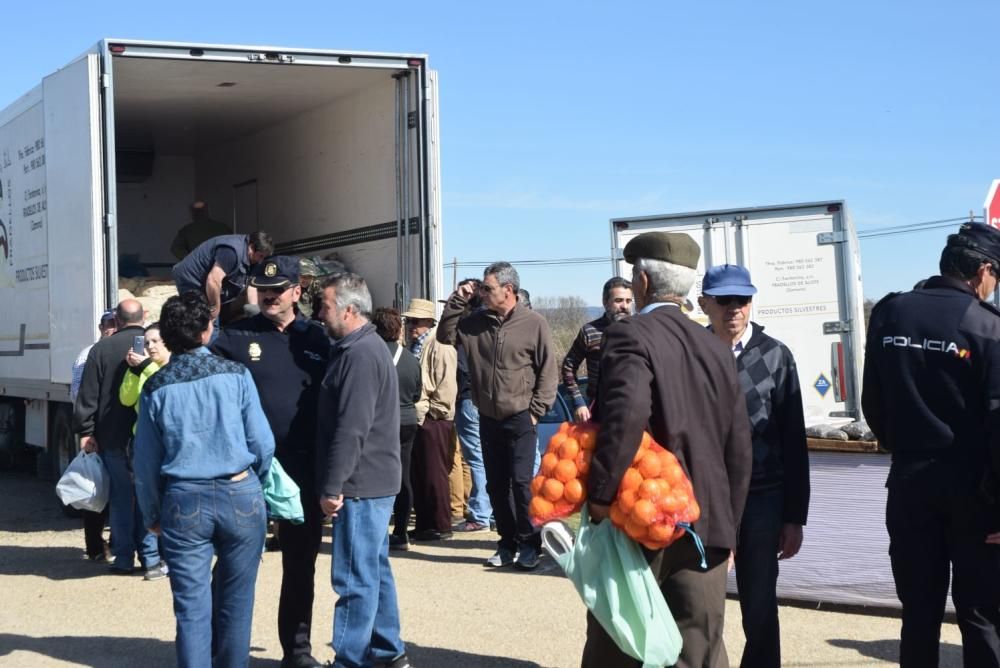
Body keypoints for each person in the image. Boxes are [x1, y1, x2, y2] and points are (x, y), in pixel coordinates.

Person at [582, 232, 752, 668]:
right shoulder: (716, 347)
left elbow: (625, 420)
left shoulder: (630, 335)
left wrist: (600, 496)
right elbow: (738, 448)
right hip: (707, 525)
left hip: (642, 521)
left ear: (640, 281)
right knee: (700, 648)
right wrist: (727, 527)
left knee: (622, 643)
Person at [862, 222, 1000, 667]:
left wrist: (903, 444)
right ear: (982, 271)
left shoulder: (890, 313)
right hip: (977, 495)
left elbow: (873, 402)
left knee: (918, 612)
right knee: (981, 614)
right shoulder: (987, 327)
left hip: (909, 485)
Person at [132, 291, 274, 668]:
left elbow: (145, 461)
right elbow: (262, 443)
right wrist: (253, 484)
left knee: (192, 610)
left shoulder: (156, 387)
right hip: (240, 490)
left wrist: (151, 514)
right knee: (237, 603)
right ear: (207, 331)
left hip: (183, 498)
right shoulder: (237, 374)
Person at [212, 256, 331, 668]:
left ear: (297, 292)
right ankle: (223, 651)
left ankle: (296, 652)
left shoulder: (317, 339)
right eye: (263, 291)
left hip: (301, 470)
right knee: (233, 564)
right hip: (247, 471)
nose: (269, 296)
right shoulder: (234, 337)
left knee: (300, 567)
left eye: (278, 290)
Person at [698, 264, 809, 668]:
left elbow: (794, 441)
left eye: (742, 300)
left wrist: (795, 516)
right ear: (704, 303)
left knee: (760, 606)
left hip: (763, 500)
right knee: (699, 604)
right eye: (724, 300)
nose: (734, 309)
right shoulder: (693, 354)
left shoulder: (777, 356)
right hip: (703, 500)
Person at [438, 262, 558, 571]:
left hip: (521, 417)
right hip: (487, 416)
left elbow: (548, 371)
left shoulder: (535, 323)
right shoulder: (475, 323)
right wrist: (457, 300)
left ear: (509, 291)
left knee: (521, 483)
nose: (482, 292)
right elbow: (444, 336)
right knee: (495, 484)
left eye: (487, 288)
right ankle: (506, 544)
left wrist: (536, 412)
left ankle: (531, 544)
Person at [316, 273, 409, 668]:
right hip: (372, 480)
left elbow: (352, 428)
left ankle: (350, 659)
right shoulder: (360, 347)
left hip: (360, 483)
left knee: (354, 578)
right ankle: (389, 650)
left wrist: (333, 485)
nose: (319, 314)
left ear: (349, 310)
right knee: (373, 568)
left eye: (325, 306)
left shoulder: (359, 355)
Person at [72, 299, 165, 579]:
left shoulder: (100, 349)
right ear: (145, 315)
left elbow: (87, 395)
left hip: (111, 436)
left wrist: (86, 431)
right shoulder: (153, 346)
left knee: (121, 499)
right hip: (147, 437)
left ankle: (123, 557)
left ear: (116, 318)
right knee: (147, 497)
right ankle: (150, 559)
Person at [402, 298, 458, 542]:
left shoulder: (441, 345)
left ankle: (441, 525)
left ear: (429, 322)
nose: (411, 325)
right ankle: (425, 523)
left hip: (434, 418)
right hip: (420, 415)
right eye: (409, 320)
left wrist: (434, 412)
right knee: (420, 474)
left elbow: (446, 385)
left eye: (416, 321)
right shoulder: (415, 345)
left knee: (435, 474)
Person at [372, 308, 423, 552]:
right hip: (408, 421)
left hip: (383, 421)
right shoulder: (412, 359)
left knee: (378, 478)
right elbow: (416, 393)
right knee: (404, 478)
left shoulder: (372, 354)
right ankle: (401, 532)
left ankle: (377, 531)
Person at [70, 309, 116, 563]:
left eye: (114, 324)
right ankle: (95, 546)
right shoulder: (87, 355)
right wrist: (86, 430)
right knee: (94, 489)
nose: (110, 329)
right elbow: (78, 395)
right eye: (106, 325)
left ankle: (113, 543)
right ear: (100, 328)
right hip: (95, 430)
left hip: (112, 429)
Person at [449, 280, 493, 533]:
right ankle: (492, 512)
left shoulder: (466, 331)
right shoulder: (488, 327)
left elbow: (462, 368)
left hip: (467, 398)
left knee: (475, 458)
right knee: (487, 457)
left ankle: (480, 514)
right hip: (484, 398)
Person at [561, 277, 633, 423]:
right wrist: (579, 403)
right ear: (605, 302)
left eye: (628, 301)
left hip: (633, 407)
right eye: (618, 300)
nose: (624, 306)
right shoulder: (589, 331)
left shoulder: (639, 330)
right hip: (599, 410)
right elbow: (568, 367)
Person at [170, 231, 273, 327]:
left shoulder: (253, 260)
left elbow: (251, 285)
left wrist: (254, 313)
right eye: (260, 256)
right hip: (192, 279)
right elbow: (213, 280)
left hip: (214, 288)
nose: (261, 261)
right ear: (251, 248)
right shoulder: (231, 252)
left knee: (225, 321)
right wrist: (215, 308)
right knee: (207, 322)